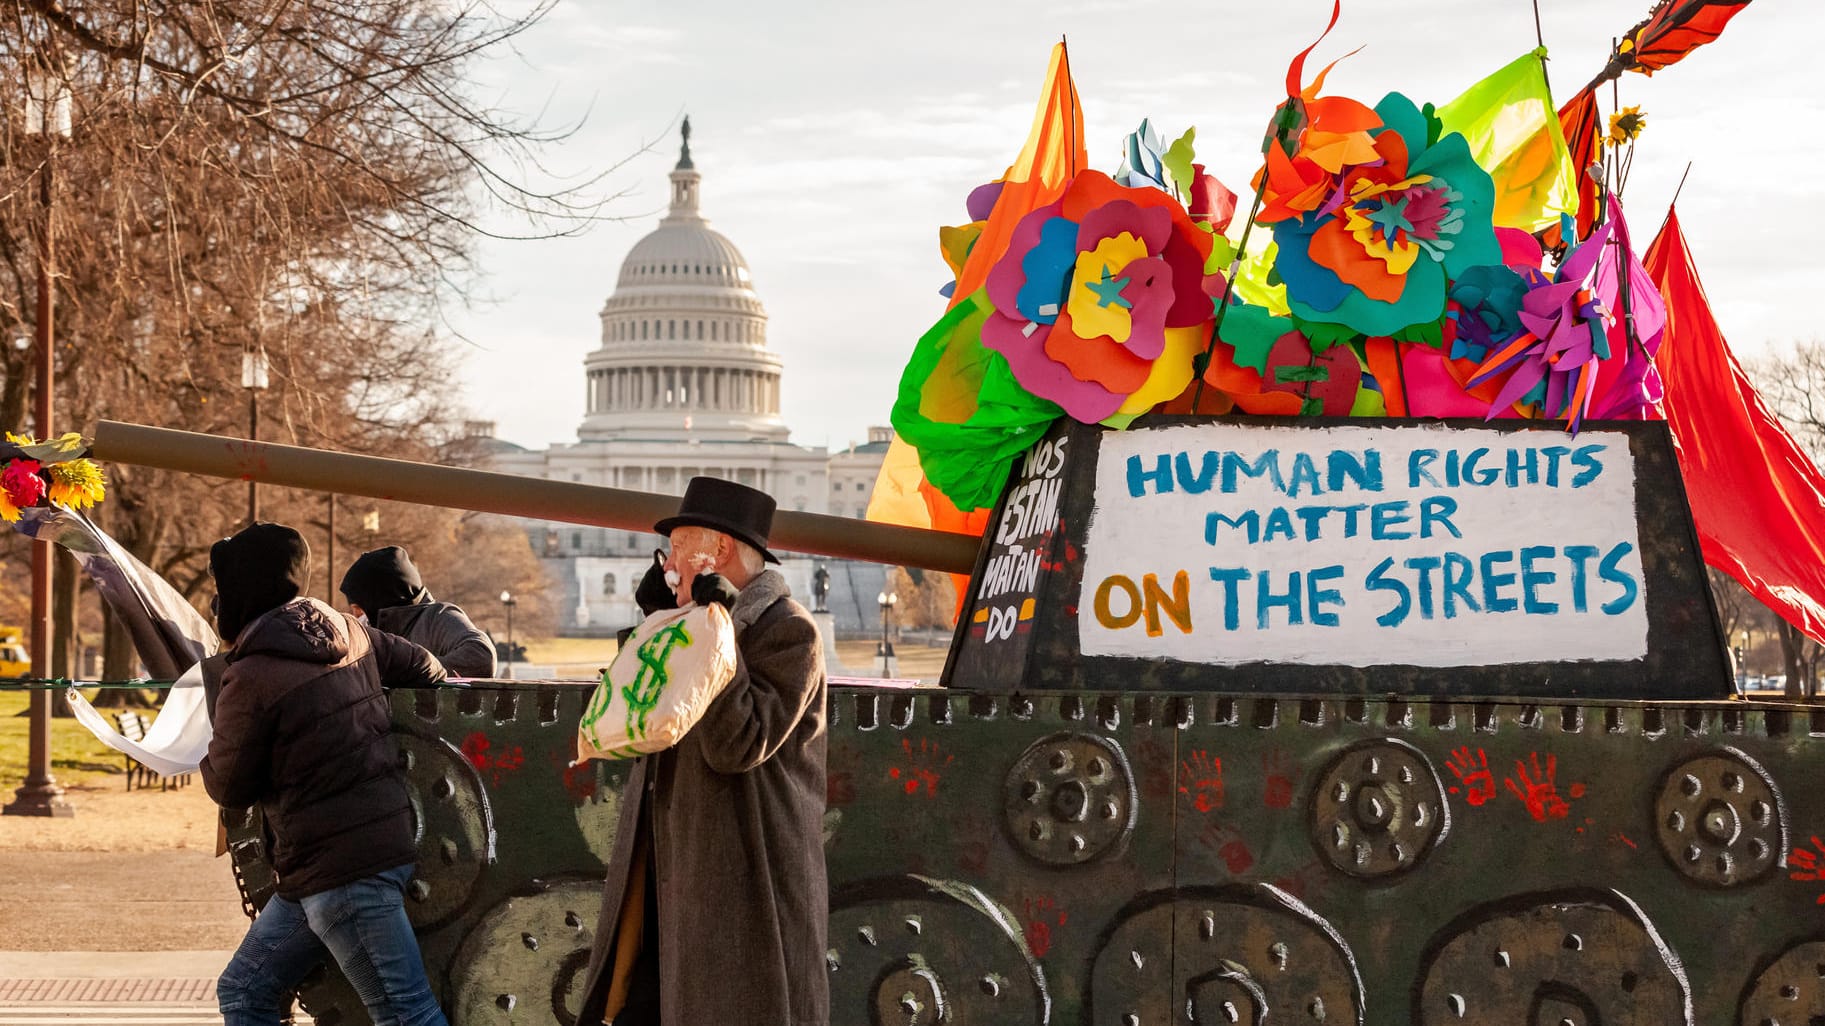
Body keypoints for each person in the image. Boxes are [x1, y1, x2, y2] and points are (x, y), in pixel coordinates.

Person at [577, 477, 829, 1026]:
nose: (669, 569)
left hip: (742, 882)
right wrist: (656, 631)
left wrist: (716, 636)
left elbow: (737, 746)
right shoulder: (690, 623)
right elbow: (640, 723)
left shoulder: (790, 633)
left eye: (680, 553)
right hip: (670, 876)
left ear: (719, 553)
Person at [200, 522, 451, 1026]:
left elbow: (228, 787)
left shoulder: (251, 676)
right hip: (341, 862)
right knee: (244, 988)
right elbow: (429, 668)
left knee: (406, 1014)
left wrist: (201, 749)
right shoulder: (348, 630)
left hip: (341, 876)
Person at [339, 545, 497, 678]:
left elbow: (482, 657)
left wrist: (415, 670)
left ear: (379, 603)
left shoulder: (438, 618)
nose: (357, 618)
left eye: (358, 610)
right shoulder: (372, 633)